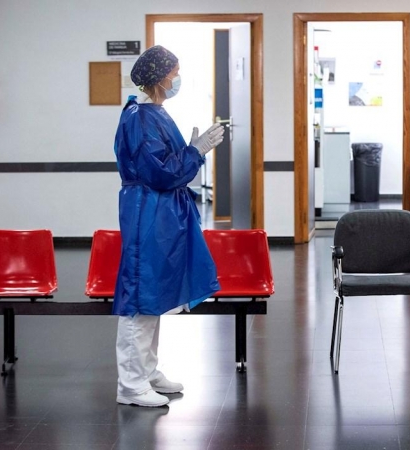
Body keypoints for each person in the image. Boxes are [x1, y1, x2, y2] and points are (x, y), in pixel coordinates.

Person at [113, 45, 224, 407]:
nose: (176, 78)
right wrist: (197, 151)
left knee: (155, 294)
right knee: (141, 297)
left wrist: (191, 150)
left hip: (160, 213)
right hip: (149, 213)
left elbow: (166, 165)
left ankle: (146, 371)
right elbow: (162, 172)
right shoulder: (141, 118)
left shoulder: (152, 113)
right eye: (174, 72)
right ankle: (131, 385)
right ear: (160, 77)